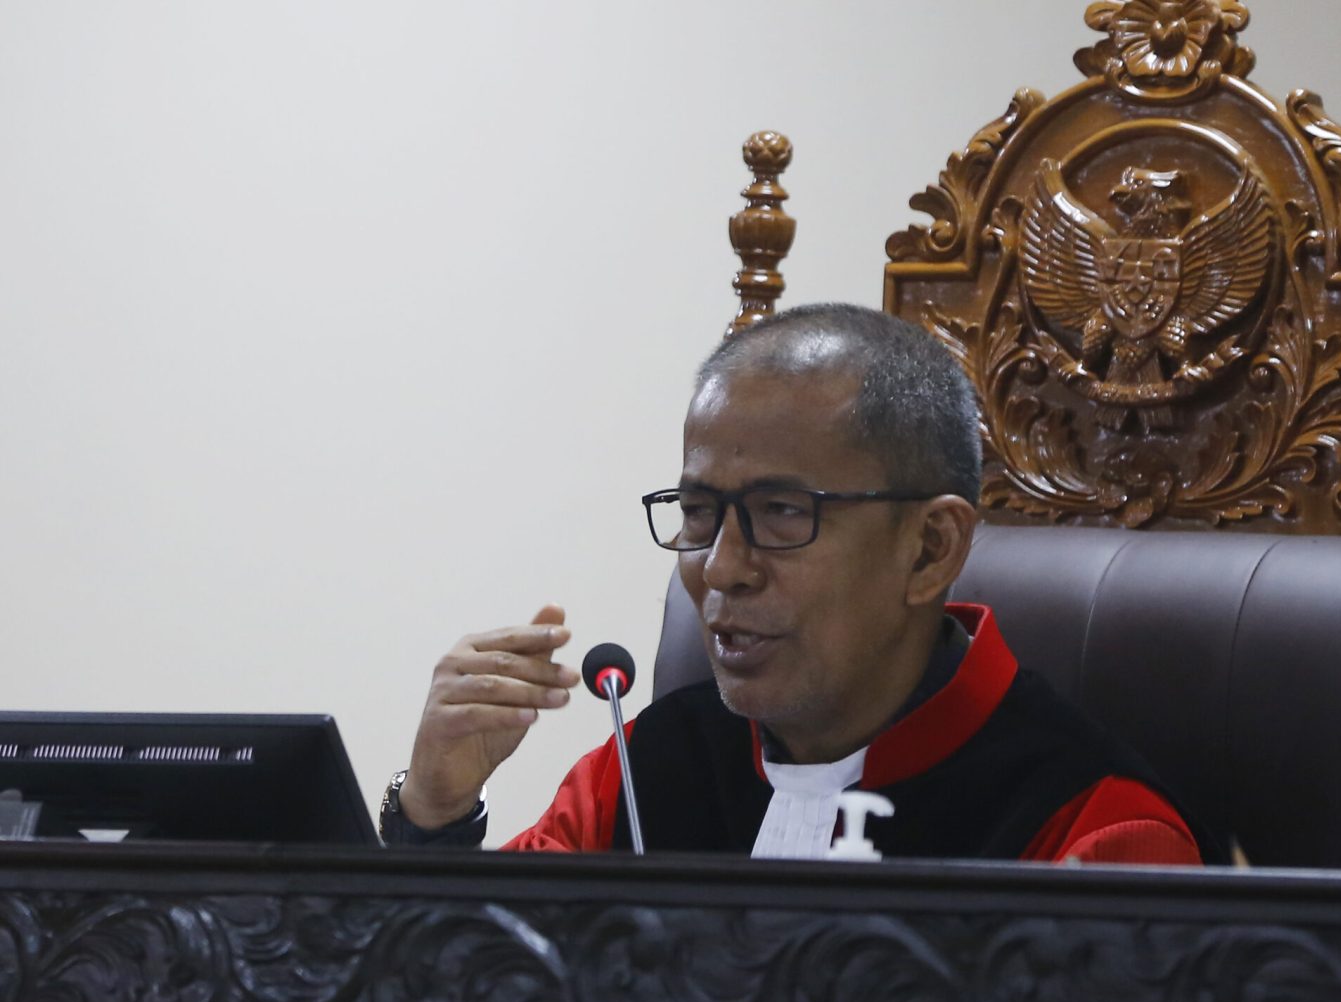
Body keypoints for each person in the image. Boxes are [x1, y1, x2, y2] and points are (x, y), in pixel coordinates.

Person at [382, 303, 1211, 864]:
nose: (722, 568)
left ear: (930, 549)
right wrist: (435, 811)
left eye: (782, 513)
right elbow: (479, 1000)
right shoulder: (645, 769)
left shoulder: (1089, 831)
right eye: (699, 512)